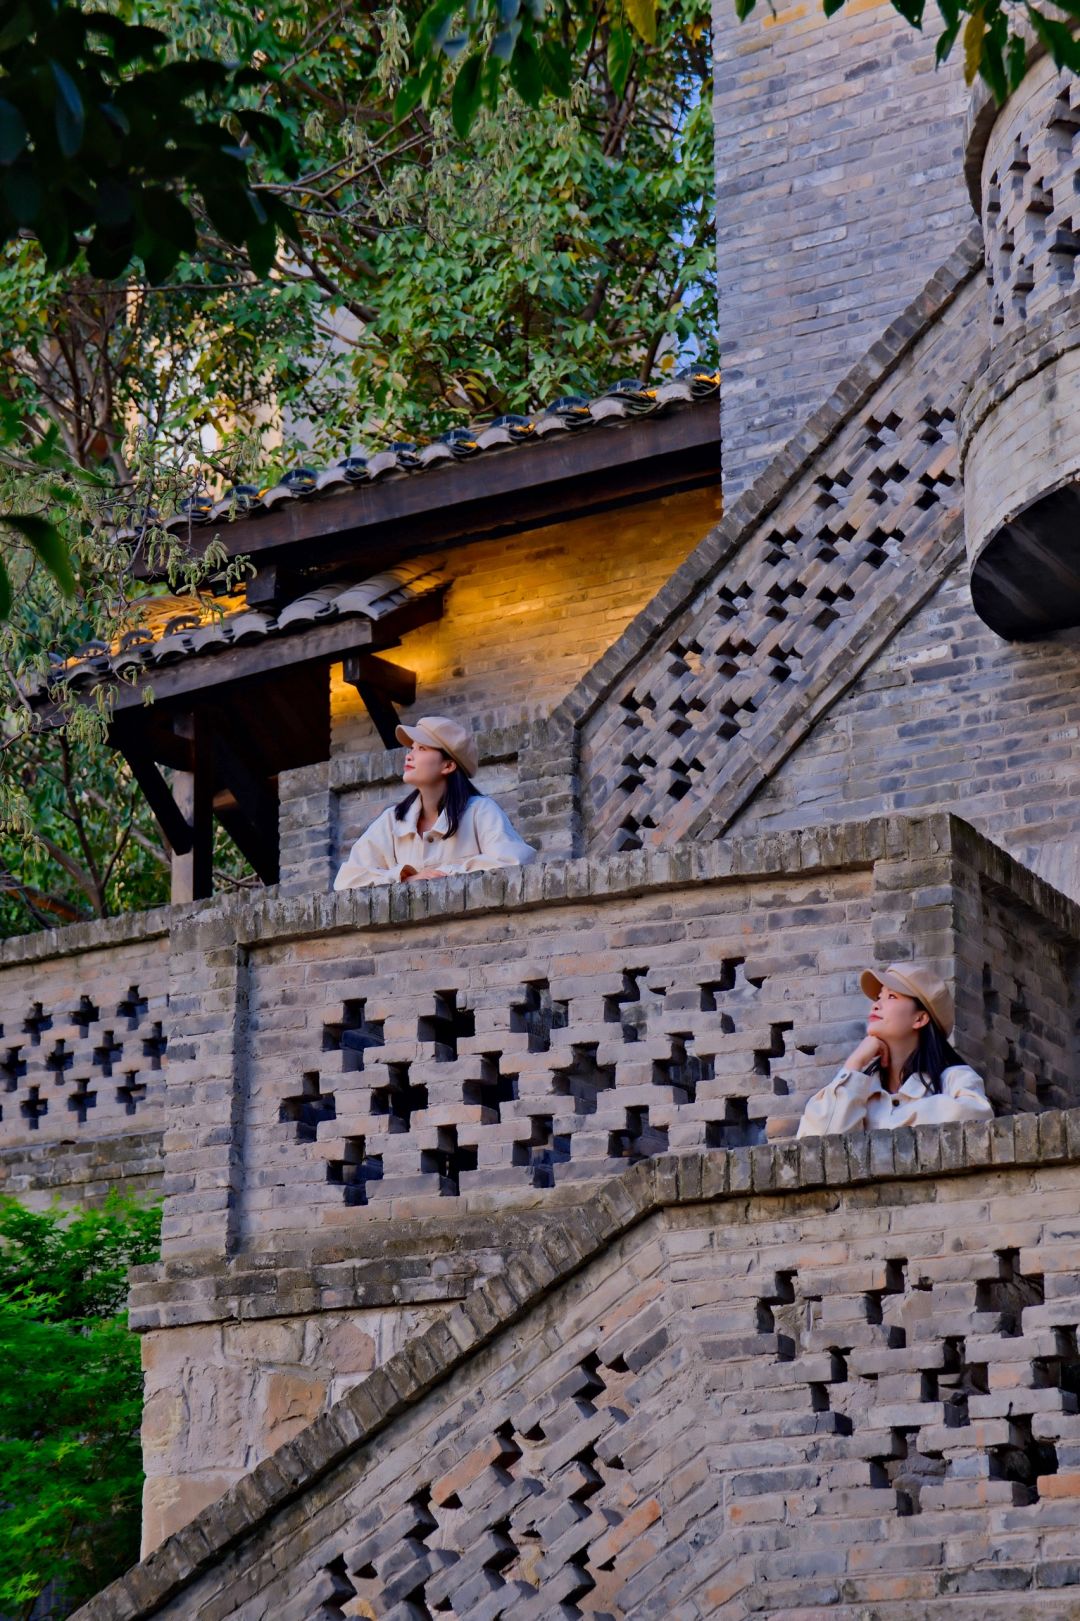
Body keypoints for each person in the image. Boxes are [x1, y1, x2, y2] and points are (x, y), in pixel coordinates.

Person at [334, 714, 537, 889]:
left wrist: (443, 874)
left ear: (448, 765)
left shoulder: (480, 811)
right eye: (411, 748)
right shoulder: (392, 820)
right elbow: (346, 881)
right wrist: (406, 878)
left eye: (422, 748)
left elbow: (515, 861)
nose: (409, 756)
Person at [797, 963, 993, 1137]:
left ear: (920, 1019)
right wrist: (854, 1064)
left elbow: (977, 1119)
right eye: (878, 996)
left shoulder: (955, 1080)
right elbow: (815, 1146)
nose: (876, 1005)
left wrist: (884, 1124)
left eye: (891, 996)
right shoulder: (862, 1089)